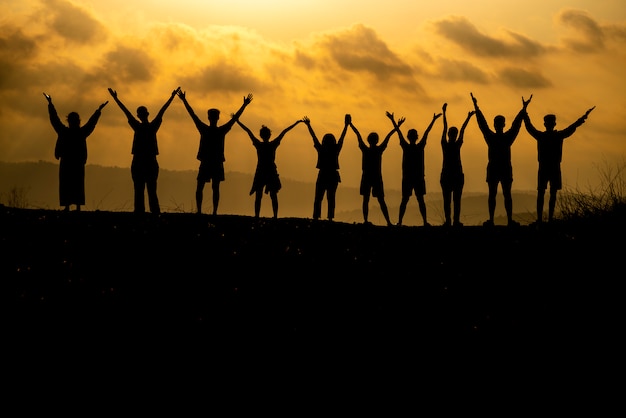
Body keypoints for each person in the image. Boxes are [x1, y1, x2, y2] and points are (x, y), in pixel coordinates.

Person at [177, 90, 253, 214]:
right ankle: (214, 212)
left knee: (201, 187)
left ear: (209, 117)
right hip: (216, 162)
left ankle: (200, 211)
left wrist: (184, 100)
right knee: (214, 188)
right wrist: (244, 105)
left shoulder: (205, 129)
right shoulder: (220, 131)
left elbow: (193, 115)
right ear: (217, 118)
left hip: (207, 161)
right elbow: (234, 119)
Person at [108, 87, 179, 214]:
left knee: (140, 190)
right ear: (147, 114)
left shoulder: (140, 127)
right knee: (149, 190)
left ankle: (142, 213)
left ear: (139, 115)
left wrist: (116, 99)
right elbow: (161, 111)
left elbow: (127, 113)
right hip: (148, 162)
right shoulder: (151, 127)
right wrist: (171, 97)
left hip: (141, 162)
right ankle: (152, 213)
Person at [524, 104, 595, 224]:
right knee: (550, 194)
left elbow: (529, 127)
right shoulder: (557, 136)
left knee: (543, 193)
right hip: (554, 168)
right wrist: (583, 117)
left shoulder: (542, 136)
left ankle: (541, 219)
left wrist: (524, 112)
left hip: (546, 168)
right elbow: (572, 127)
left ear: (545, 124)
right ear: (553, 124)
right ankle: (548, 219)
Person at [471, 92, 532, 227]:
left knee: (494, 195)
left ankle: (493, 220)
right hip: (503, 168)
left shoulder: (492, 137)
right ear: (503, 124)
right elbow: (516, 125)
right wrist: (523, 110)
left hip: (495, 168)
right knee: (505, 195)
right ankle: (508, 220)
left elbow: (483, 125)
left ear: (496, 124)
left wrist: (477, 108)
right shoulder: (506, 138)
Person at [44, 92, 108, 212]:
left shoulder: (64, 132)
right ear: (78, 121)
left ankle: (68, 206)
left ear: (69, 121)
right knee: (77, 183)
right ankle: (77, 206)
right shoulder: (81, 133)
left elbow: (54, 119)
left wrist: (50, 104)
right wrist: (98, 111)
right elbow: (91, 123)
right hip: (78, 161)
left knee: (66, 183)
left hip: (67, 161)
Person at [235, 118, 304, 219]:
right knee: (273, 195)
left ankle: (257, 216)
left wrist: (238, 121)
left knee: (259, 195)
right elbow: (284, 131)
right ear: (269, 135)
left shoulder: (259, 144)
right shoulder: (272, 144)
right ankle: (275, 216)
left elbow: (248, 131)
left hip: (261, 171)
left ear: (261, 136)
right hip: (270, 171)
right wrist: (296, 123)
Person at [387, 110, 440, 227]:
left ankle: (400, 222)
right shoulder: (420, 147)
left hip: (408, 178)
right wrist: (433, 120)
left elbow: (399, 134)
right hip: (418, 178)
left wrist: (393, 121)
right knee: (420, 200)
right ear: (416, 137)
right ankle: (425, 221)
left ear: (409, 137)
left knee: (405, 200)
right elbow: (426, 132)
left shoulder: (406, 147)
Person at [349, 115, 399, 226]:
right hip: (376, 177)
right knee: (381, 200)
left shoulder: (366, 149)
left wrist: (350, 124)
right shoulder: (378, 150)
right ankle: (388, 222)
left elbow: (358, 135)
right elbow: (388, 137)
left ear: (369, 140)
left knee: (366, 200)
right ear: (376, 140)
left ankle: (366, 220)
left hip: (367, 176)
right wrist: (395, 125)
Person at [302, 114, 349, 221]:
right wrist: (346, 126)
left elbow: (313, 137)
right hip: (333, 175)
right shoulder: (335, 149)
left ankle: (316, 216)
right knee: (331, 198)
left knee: (318, 197)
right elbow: (342, 138)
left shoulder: (321, 149)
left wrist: (308, 125)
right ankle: (330, 217)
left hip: (323, 174)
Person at [440, 103, 475, 227]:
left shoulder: (445, 144)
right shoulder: (456, 144)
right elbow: (462, 130)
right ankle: (453, 221)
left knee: (448, 200)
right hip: (455, 175)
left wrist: (444, 113)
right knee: (455, 200)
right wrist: (468, 117)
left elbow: (446, 128)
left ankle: (450, 221)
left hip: (448, 175)